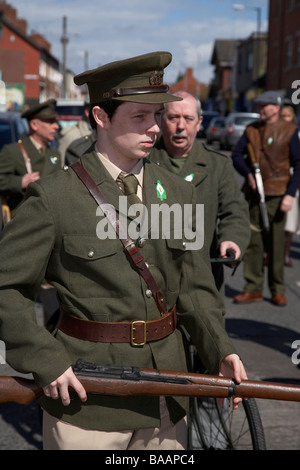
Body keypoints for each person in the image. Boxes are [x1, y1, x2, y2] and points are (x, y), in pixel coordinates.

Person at [0, 51, 247, 451]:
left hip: (167, 395)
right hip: (87, 397)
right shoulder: (54, 197)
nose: (155, 128)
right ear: (100, 117)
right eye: (140, 117)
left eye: (158, 116)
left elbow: (195, 288)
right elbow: (6, 287)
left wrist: (221, 349)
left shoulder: (179, 194)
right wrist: (44, 359)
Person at [150, 90, 250, 292]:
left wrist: (232, 239)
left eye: (188, 118)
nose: (180, 126)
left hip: (202, 280)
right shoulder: (142, 161)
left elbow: (235, 210)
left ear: (199, 122)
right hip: (153, 281)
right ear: (160, 120)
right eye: (173, 118)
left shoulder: (217, 165)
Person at [232, 91, 300, 307]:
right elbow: (236, 155)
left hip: (278, 195)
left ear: (276, 108)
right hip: (254, 194)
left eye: (265, 106)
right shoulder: (252, 130)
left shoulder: (289, 131)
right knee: (254, 243)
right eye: (260, 105)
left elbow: (298, 164)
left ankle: (277, 289)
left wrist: (290, 194)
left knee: (277, 245)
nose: (261, 109)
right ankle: (253, 288)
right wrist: (248, 174)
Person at [0, 99, 61, 214]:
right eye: (50, 122)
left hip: (49, 219)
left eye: (56, 121)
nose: (56, 126)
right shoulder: (13, 151)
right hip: (23, 220)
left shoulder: (55, 154)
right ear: (34, 125)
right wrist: (20, 182)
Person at [279, 103, 300, 267]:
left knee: (291, 219)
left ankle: (284, 253)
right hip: (280, 179)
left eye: (287, 116)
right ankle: (274, 253)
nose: (284, 119)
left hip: (295, 179)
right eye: (282, 116)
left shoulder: (296, 133)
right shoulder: (276, 132)